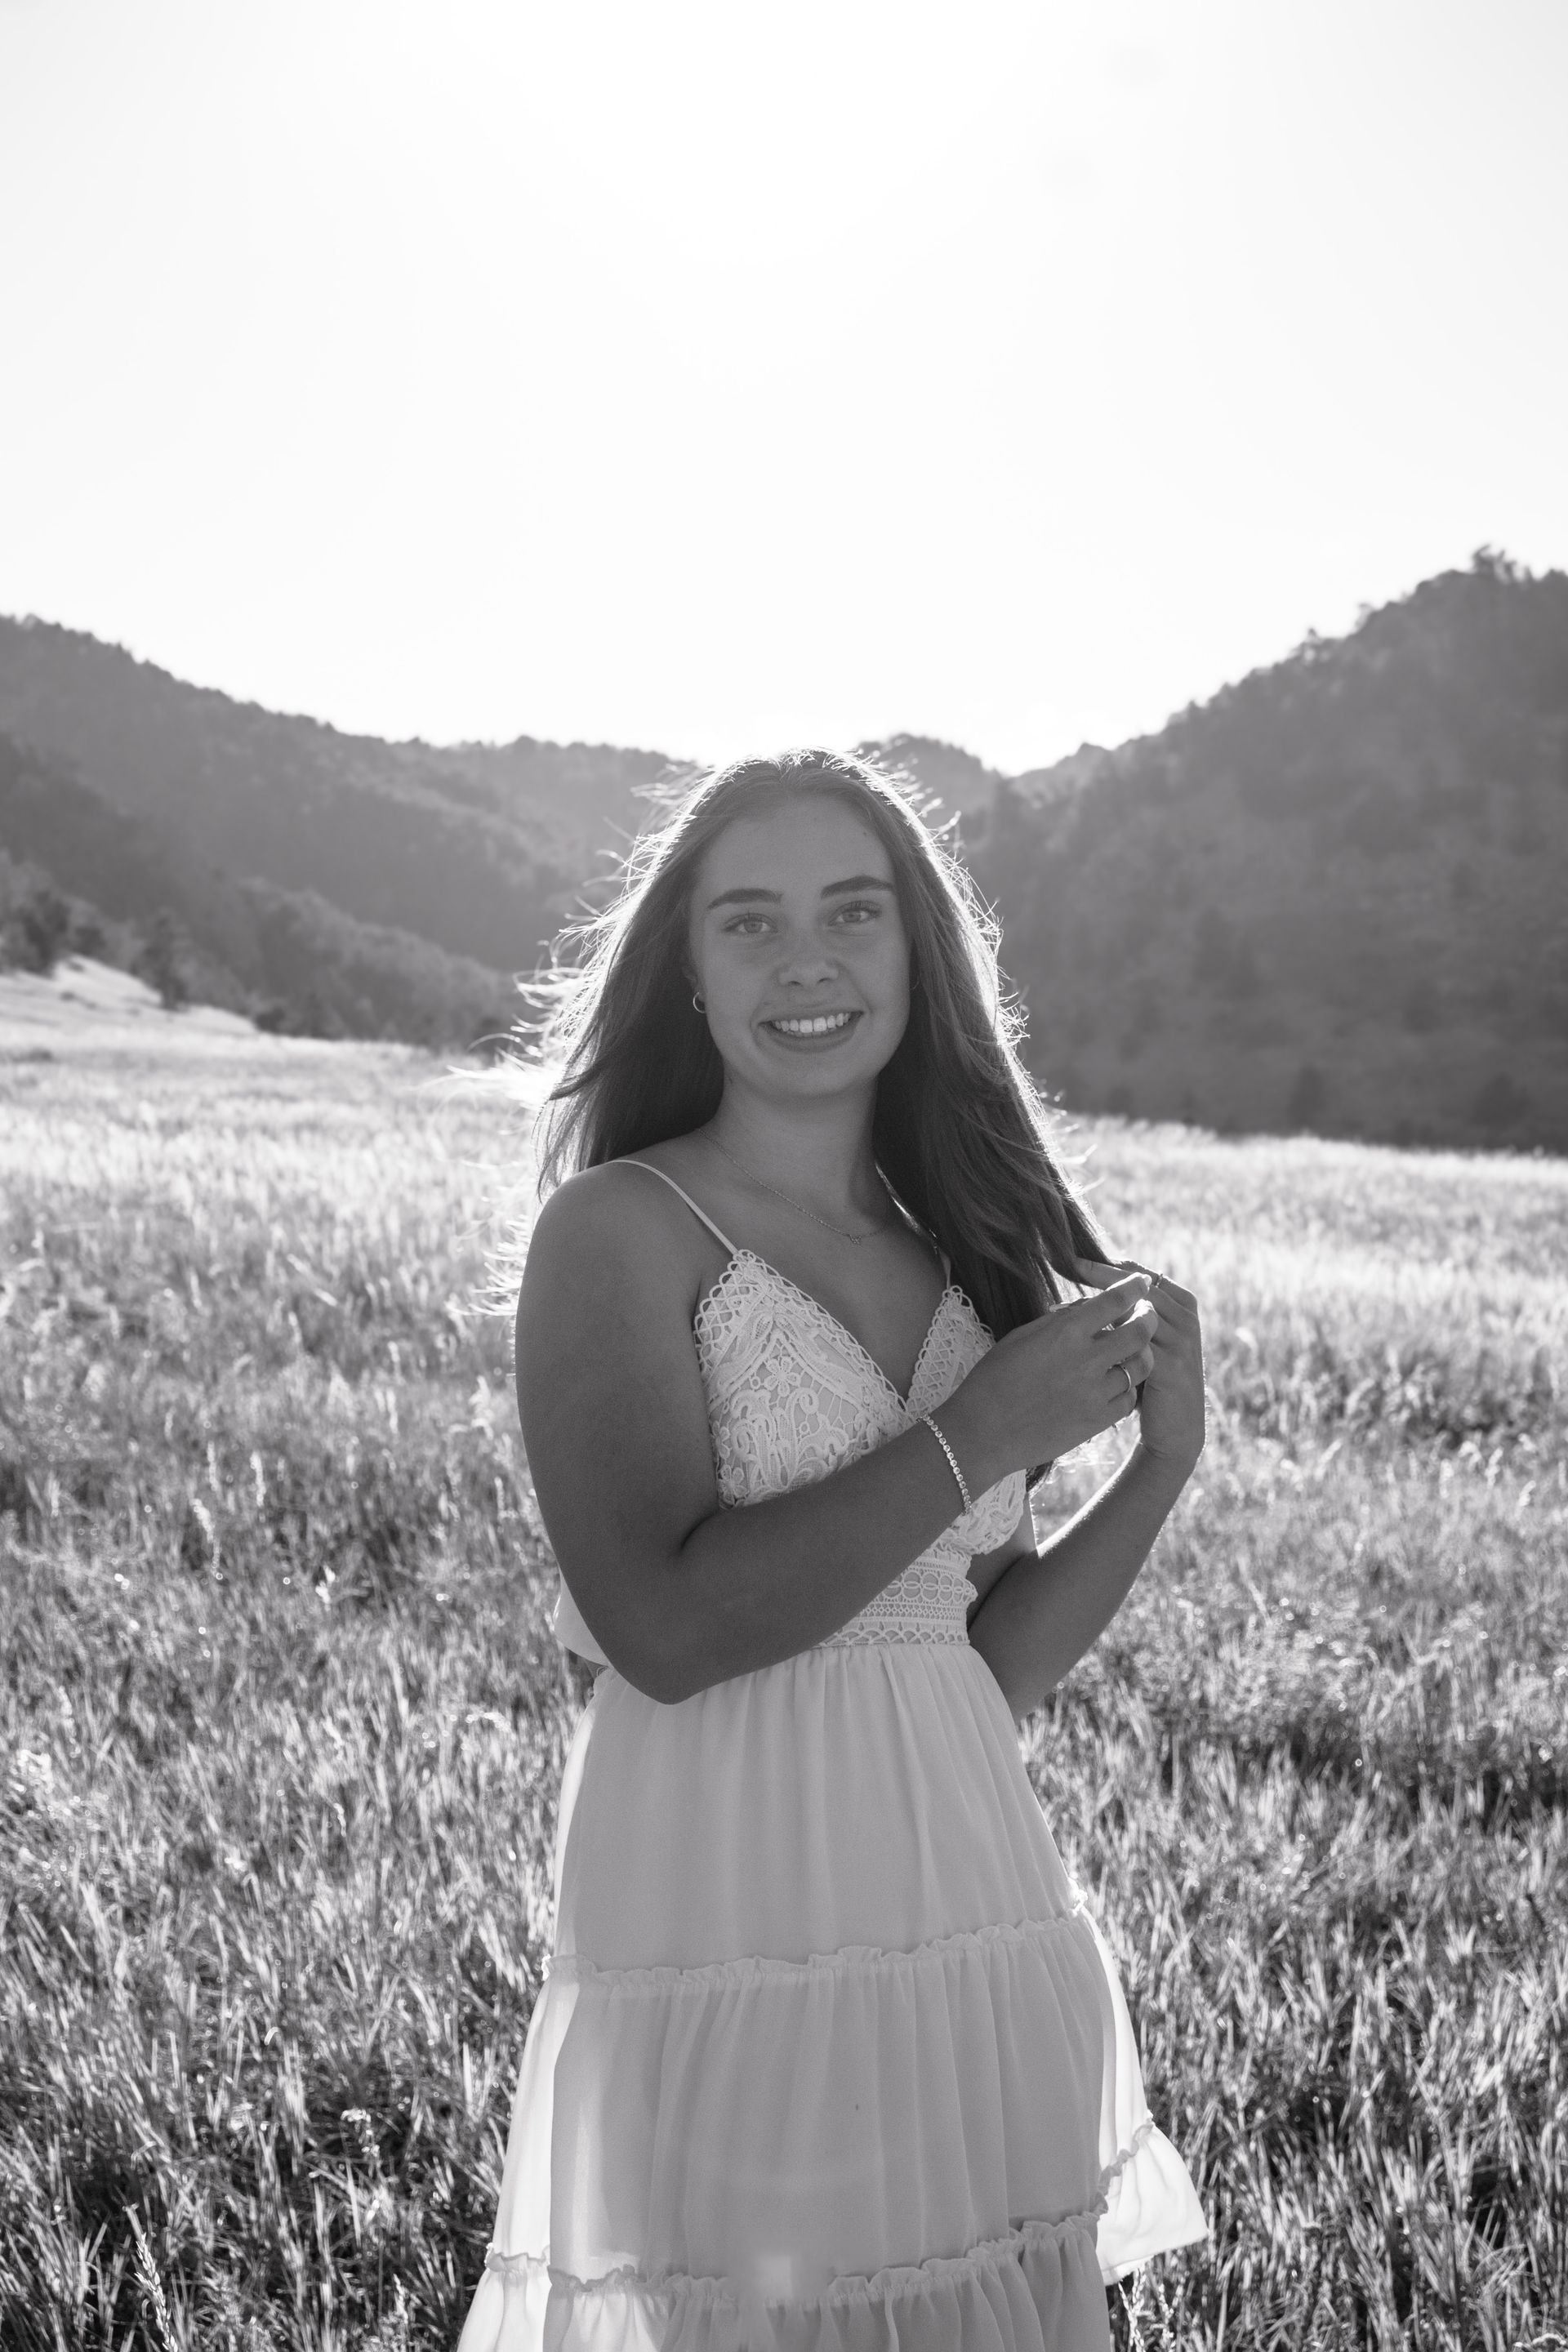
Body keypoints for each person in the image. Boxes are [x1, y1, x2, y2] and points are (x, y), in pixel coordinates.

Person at [459, 749, 1209, 2352]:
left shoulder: (962, 1250)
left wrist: (1159, 1471)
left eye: (852, 912)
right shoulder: (620, 1230)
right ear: (689, 971)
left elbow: (975, 1664)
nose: (805, 960)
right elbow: (661, 1628)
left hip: (969, 1901)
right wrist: (976, 1435)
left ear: (917, 954)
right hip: (729, 1918)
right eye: (749, 922)